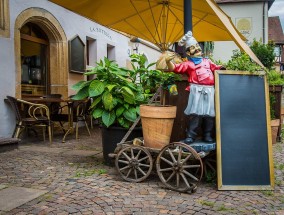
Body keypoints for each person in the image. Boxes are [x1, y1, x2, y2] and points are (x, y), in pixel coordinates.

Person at [165, 31, 225, 144]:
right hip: (196, 90)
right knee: (195, 114)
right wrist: (168, 61)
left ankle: (207, 134)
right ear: (188, 52)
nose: (197, 49)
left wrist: (223, 69)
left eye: (197, 46)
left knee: (210, 114)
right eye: (193, 48)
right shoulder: (188, 64)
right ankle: (191, 136)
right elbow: (175, 68)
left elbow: (216, 68)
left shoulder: (208, 61)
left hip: (210, 90)